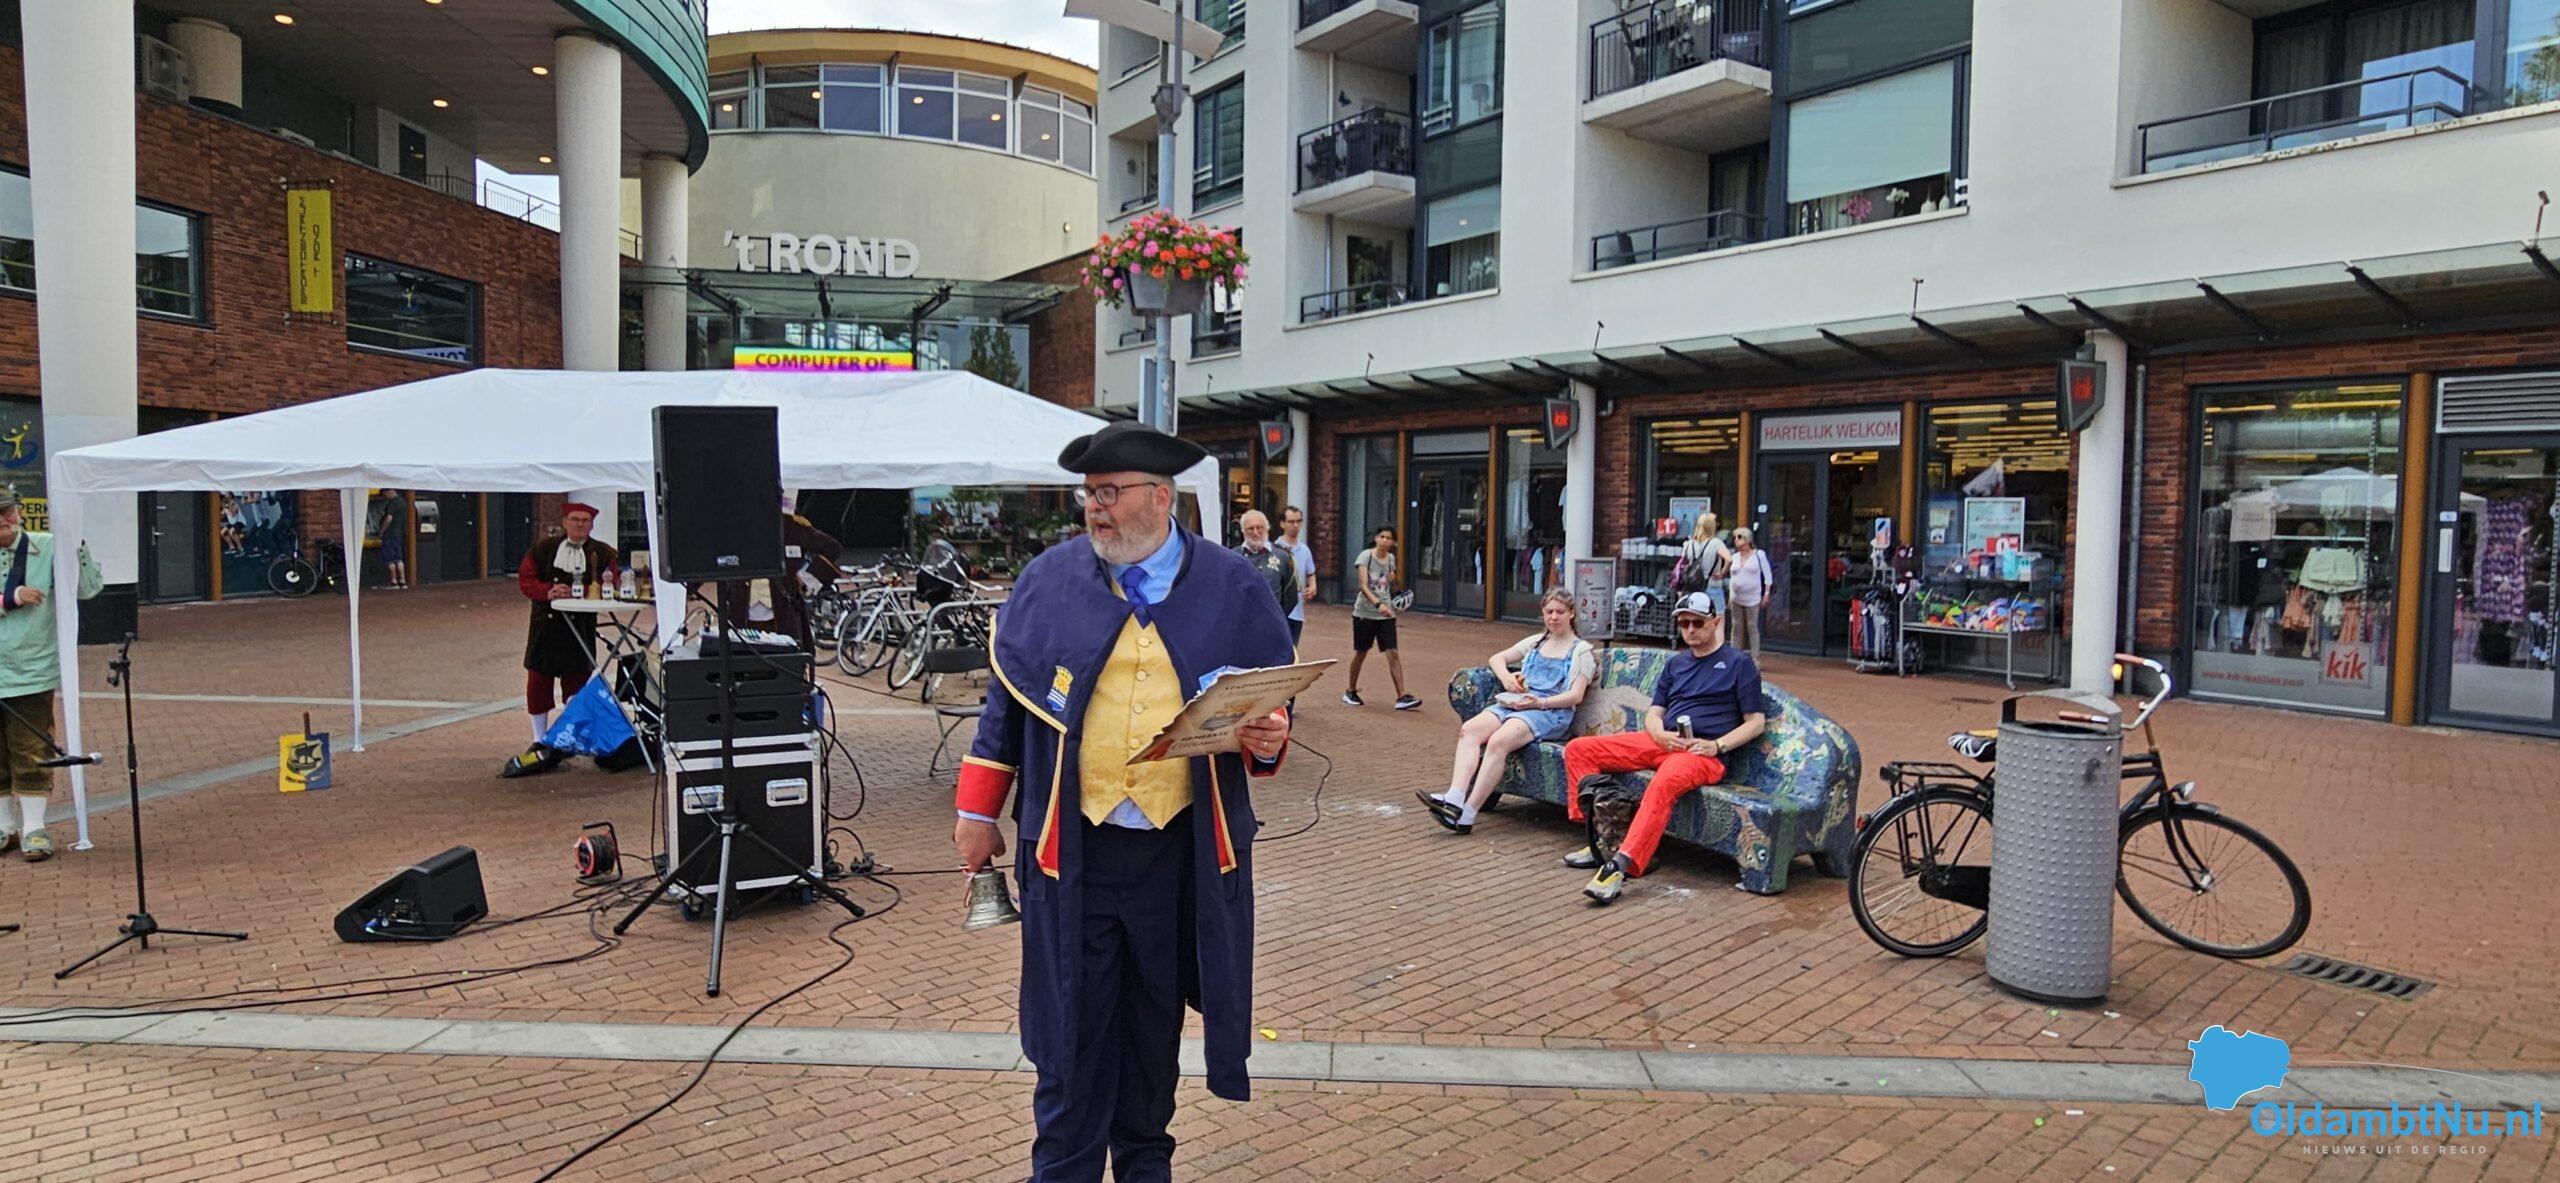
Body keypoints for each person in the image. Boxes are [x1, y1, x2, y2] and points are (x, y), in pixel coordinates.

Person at [953, 421, 1294, 1183]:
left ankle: (1145, 1165)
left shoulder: (1232, 584)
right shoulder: (1049, 579)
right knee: (1070, 1038)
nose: (1095, 508)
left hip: (1178, 856)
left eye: (1110, 493)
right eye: (1089, 494)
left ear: (1161, 497)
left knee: (1150, 1036)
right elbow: (1005, 706)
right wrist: (977, 813)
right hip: (1073, 850)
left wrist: (1270, 737)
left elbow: (1268, 708)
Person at [1559, 591, 1766, 904]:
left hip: (1703, 753)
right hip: (1664, 741)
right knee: (1579, 750)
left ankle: (1622, 864)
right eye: (1684, 623)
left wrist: (1716, 745)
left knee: (1663, 782)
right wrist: (1659, 733)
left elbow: (1756, 722)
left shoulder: (1739, 664)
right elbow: (1654, 714)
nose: (1690, 629)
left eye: (1698, 622)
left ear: (1716, 622)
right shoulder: (1676, 663)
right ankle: (1601, 839)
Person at [1419, 589, 1594, 834]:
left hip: (1549, 711)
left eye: (1560, 612)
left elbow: (1575, 696)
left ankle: (1468, 813)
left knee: (1498, 741)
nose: (1553, 617)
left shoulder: (1580, 651)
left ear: (1571, 614)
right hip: (1516, 703)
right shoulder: (1536, 642)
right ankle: (1455, 797)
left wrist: (1539, 703)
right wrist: (1508, 679)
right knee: (1470, 730)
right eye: (1549, 612)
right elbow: (1497, 658)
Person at [0, 489, 100, 862]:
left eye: (8, 511)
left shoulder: (47, 546)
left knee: (31, 747)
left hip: (29, 669)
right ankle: (3, 826)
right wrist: (10, 598)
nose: (5, 520)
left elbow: (88, 589)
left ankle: (34, 828)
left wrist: (77, 544)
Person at [515, 501, 618, 756]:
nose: (579, 524)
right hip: (546, 625)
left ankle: (569, 735)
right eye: (574, 519)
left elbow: (612, 583)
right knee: (538, 682)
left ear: (591, 525)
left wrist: (579, 592)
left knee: (577, 680)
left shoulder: (604, 553)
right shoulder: (543, 549)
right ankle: (539, 738)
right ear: (564, 522)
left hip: (580, 626)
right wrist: (548, 591)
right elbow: (526, 580)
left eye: (584, 520)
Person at [715, 500, 844, 650]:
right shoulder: (734, 526)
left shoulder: (790, 526)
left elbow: (832, 548)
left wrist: (805, 577)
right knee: (743, 659)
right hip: (741, 613)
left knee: (786, 659)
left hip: (783, 614)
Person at [1343, 527, 1419, 710]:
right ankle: (1350, 691)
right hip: (1365, 613)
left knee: (1393, 652)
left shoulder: (1391, 559)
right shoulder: (1365, 557)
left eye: (1388, 538)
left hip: (1386, 615)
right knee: (1361, 652)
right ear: (1376, 538)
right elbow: (1363, 586)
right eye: (1382, 537)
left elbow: (1390, 583)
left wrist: (1398, 592)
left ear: (1393, 542)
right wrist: (1378, 604)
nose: (1384, 540)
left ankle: (1401, 696)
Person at [1234, 510, 1298, 619]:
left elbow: (1290, 596)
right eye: (1250, 528)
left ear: (1267, 528)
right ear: (1243, 531)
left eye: (1260, 528)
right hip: (1240, 621)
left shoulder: (1283, 557)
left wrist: (1276, 616)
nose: (1255, 532)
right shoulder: (1233, 556)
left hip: (1270, 621)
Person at [1726, 527, 1773, 658]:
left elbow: (1767, 575)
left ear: (1747, 539)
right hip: (1736, 597)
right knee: (1736, 626)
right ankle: (1734, 656)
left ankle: (1755, 657)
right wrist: (1730, 594)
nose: (1736, 540)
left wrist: (1766, 594)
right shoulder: (1735, 557)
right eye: (1735, 537)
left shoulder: (1759, 555)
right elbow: (1732, 578)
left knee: (1752, 626)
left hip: (1752, 597)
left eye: (1739, 537)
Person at [1678, 513, 1734, 615]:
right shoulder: (1716, 543)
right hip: (1712, 583)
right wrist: (1722, 572)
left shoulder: (1689, 544)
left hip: (1692, 586)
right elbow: (1729, 559)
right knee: (1718, 618)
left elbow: (1682, 563)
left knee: (1696, 616)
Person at [1278, 505, 1316, 650]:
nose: (1295, 526)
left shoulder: (1304, 550)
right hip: (1279, 608)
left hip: (1297, 610)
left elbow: (1310, 573)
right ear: (1282, 524)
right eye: (1291, 522)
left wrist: (1312, 586)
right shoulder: (1275, 548)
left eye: (1298, 521)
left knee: (1293, 650)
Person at [375, 490, 410, 589]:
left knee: (389, 559)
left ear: (389, 491)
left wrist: (382, 531)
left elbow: (389, 518)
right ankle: (402, 580)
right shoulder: (403, 502)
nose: (385, 497)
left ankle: (393, 581)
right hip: (399, 535)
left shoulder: (393, 503)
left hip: (390, 535)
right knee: (398, 558)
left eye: (385, 495)